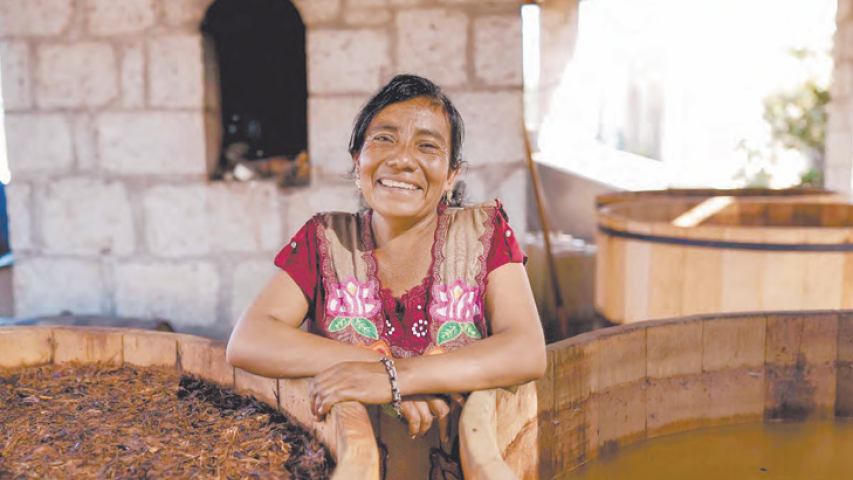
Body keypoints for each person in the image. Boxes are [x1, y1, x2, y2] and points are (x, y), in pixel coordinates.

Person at [226, 74, 547, 473]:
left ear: (451, 175)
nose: (402, 159)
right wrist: (377, 369)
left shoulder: (486, 235)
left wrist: (399, 378)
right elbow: (248, 339)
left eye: (427, 145)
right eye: (383, 139)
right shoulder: (324, 239)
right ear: (357, 161)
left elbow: (527, 350)